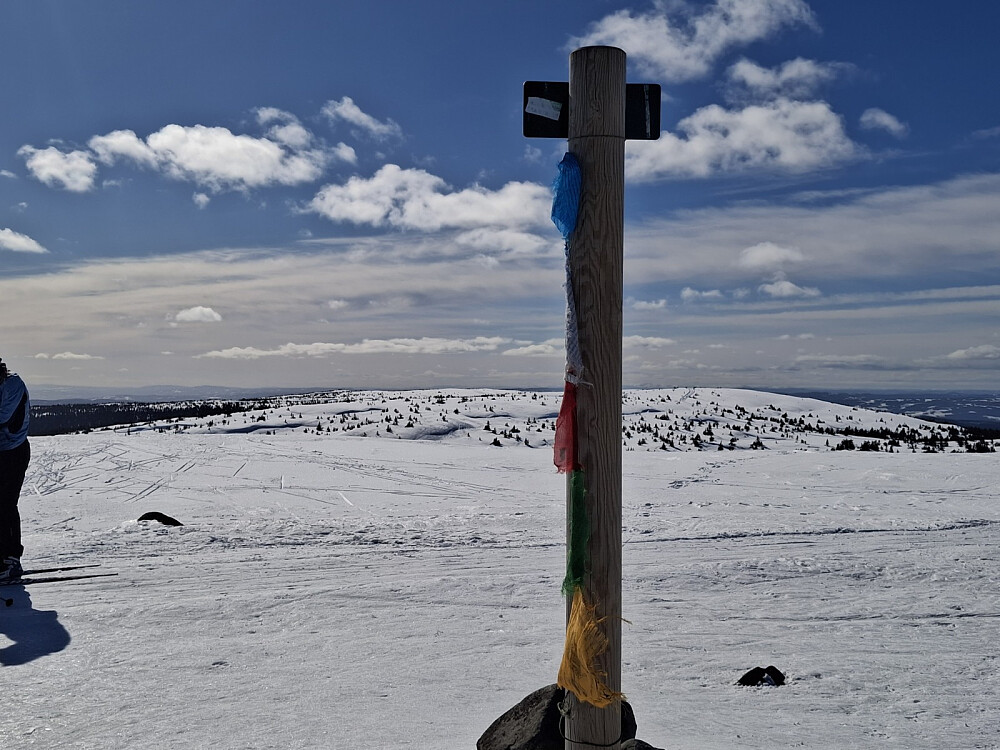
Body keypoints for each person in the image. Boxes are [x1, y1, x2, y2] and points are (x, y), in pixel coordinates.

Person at [0, 358, 30, 581]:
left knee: (6, 503)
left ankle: (11, 560)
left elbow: (3, 417)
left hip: (13, 451)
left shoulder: (12, 384)